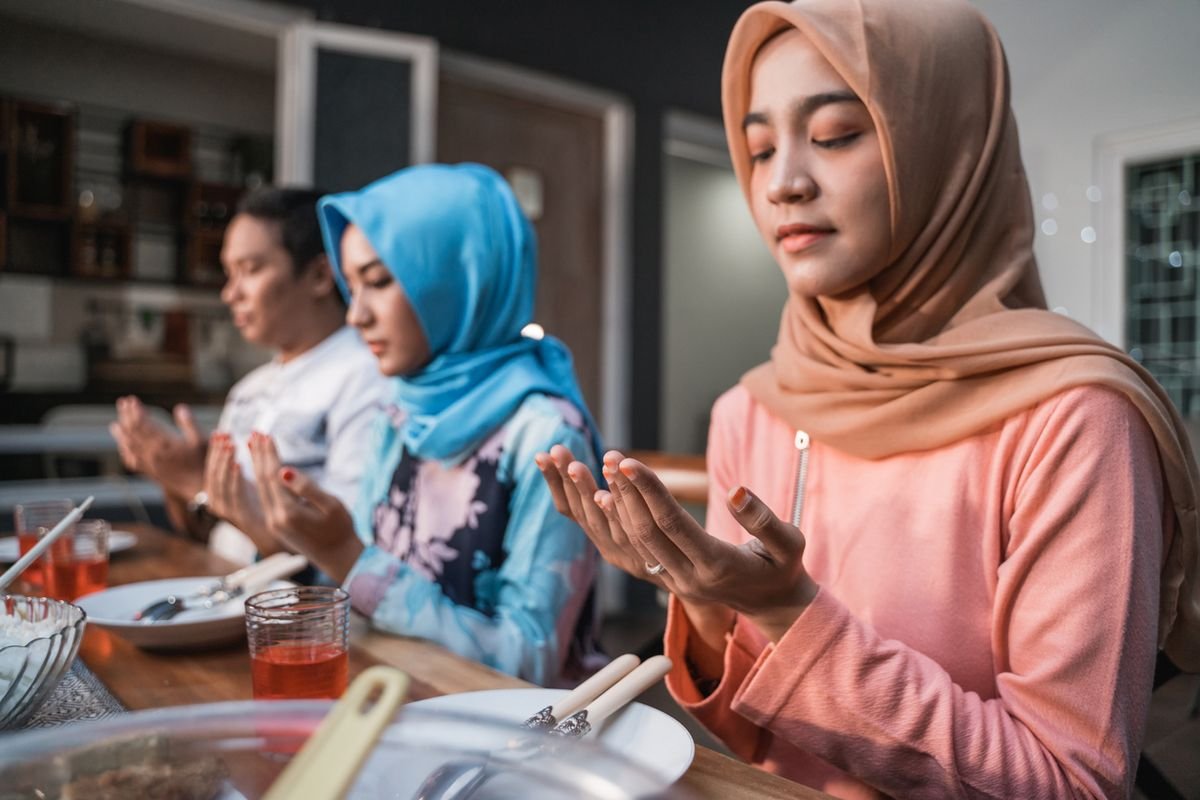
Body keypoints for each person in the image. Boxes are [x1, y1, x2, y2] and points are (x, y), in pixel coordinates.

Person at [537, 1, 1200, 797]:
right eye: (757, 148)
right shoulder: (751, 411)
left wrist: (791, 615)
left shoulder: (1074, 419)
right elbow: (757, 738)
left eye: (835, 135)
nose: (781, 182)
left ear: (946, 151)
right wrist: (704, 601)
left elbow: (1070, 780)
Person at [232, 163, 604, 686]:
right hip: (393, 700)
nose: (356, 315)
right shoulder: (399, 412)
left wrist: (346, 556)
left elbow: (528, 661)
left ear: (458, 281)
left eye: (379, 282)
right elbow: (363, 593)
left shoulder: (545, 436)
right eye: (351, 286)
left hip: (520, 737)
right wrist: (289, 536)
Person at [111, 187, 388, 565]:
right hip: (221, 585)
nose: (230, 293)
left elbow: (348, 555)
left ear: (321, 275)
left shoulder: (366, 377)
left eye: (251, 269)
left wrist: (199, 482)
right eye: (229, 273)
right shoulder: (249, 388)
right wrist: (173, 479)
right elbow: (209, 532)